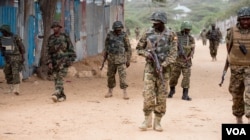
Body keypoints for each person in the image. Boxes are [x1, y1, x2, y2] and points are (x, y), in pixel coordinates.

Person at [136, 11, 177, 131]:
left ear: (163, 22)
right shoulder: (147, 33)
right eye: (153, 23)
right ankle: (147, 119)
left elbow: (173, 54)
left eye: (157, 23)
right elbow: (139, 49)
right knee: (148, 95)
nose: (154, 25)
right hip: (150, 69)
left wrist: (163, 65)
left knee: (162, 96)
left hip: (165, 71)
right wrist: (147, 55)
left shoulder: (171, 34)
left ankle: (158, 121)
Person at [225, 7, 250, 124]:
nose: (246, 22)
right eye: (243, 19)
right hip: (236, 69)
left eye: (248, 19)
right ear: (239, 19)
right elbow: (228, 48)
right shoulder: (231, 31)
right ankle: (239, 118)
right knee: (236, 94)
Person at [47, 21, 76, 102]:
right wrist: (49, 62)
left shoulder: (65, 37)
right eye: (53, 27)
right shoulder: (51, 38)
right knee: (56, 78)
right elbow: (48, 51)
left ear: (60, 28)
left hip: (64, 61)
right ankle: (62, 96)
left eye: (56, 27)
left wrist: (71, 60)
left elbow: (71, 49)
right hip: (54, 62)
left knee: (60, 77)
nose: (55, 29)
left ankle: (56, 93)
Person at [103, 21, 132, 100]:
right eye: (117, 29)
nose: (118, 31)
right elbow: (106, 47)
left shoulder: (124, 35)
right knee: (110, 76)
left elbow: (128, 48)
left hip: (121, 60)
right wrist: (105, 57)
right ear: (114, 29)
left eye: (120, 29)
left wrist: (128, 60)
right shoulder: (110, 35)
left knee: (123, 76)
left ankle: (125, 92)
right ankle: (110, 91)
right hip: (111, 59)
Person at [168, 21, 195, 101]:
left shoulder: (190, 38)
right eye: (186, 29)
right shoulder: (175, 36)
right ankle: (172, 90)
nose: (188, 31)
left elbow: (193, 49)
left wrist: (189, 56)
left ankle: (185, 94)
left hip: (186, 61)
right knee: (173, 78)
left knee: (186, 78)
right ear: (183, 29)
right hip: (176, 61)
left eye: (189, 30)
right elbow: (170, 45)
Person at [0, 24, 25, 95]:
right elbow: (2, 48)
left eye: (4, 31)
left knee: (15, 72)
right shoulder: (2, 38)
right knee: (7, 72)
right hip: (7, 57)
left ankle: (16, 89)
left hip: (16, 57)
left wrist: (23, 57)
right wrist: (4, 54)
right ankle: (10, 88)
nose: (3, 33)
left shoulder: (15, 37)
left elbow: (21, 47)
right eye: (2, 31)